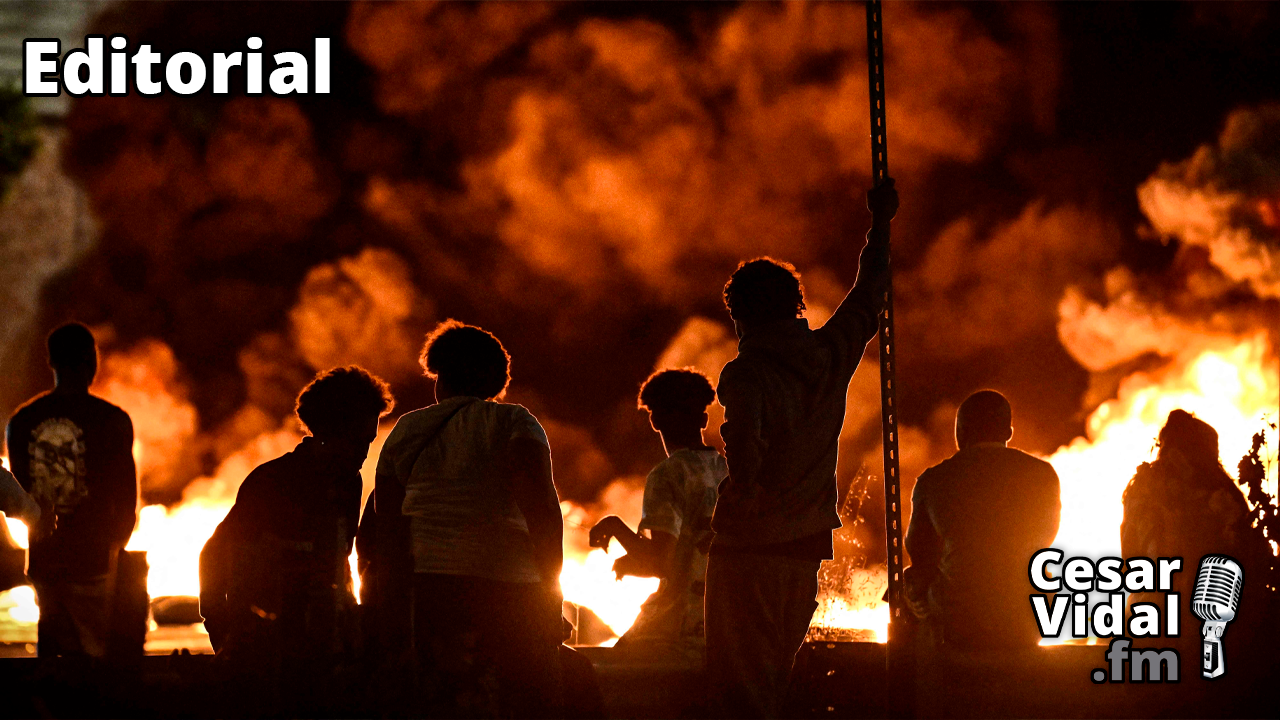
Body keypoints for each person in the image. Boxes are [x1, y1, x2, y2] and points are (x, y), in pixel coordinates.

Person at [706, 181, 897, 718]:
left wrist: (741, 497)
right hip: (804, 545)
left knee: (737, 684)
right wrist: (880, 224)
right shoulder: (829, 355)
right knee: (776, 674)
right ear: (795, 305)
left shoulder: (746, 373)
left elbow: (745, 448)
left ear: (740, 315)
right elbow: (869, 295)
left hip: (748, 547)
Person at [375, 320, 563, 718]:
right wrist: (551, 594)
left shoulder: (406, 429)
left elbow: (385, 521)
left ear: (440, 376)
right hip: (508, 588)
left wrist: (388, 602)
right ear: (496, 380)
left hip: (426, 591)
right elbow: (542, 510)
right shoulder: (515, 422)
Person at [198, 366, 394, 713]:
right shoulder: (270, 482)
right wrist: (223, 632)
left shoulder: (349, 484)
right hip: (271, 655)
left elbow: (339, 559)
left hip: (326, 653)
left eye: (369, 442)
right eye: (358, 441)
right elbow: (214, 555)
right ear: (329, 431)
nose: (364, 454)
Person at [5, 323, 137, 661]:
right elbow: (126, 499)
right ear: (92, 361)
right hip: (96, 562)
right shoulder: (112, 420)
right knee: (95, 657)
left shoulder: (21, 422)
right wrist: (116, 547)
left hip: (45, 561)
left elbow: (19, 494)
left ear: (51, 361)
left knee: (52, 650)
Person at [904, 390, 1061, 651]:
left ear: (960, 433)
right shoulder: (1044, 475)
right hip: (1030, 619)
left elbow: (919, 551)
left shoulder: (934, 480)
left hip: (959, 620)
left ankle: (917, 671)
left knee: (906, 585)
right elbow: (1046, 536)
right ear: (1008, 432)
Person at [589, 368, 725, 663]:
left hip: (674, 626)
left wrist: (615, 527)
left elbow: (661, 563)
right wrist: (631, 561)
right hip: (722, 626)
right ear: (703, 419)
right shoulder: (727, 472)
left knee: (604, 672)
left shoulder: (667, 475)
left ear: (655, 420)